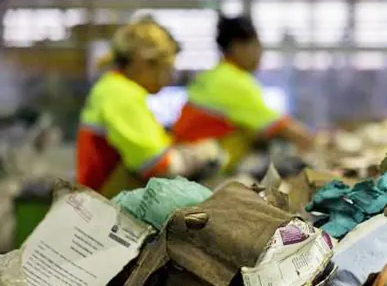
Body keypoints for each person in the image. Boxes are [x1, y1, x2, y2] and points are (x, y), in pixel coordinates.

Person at [77, 18, 224, 197]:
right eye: (167, 69)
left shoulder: (112, 87)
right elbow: (159, 166)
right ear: (143, 62)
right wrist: (202, 154)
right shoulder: (121, 94)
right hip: (105, 212)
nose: (169, 79)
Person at [172, 14, 314, 172]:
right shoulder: (234, 81)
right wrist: (314, 142)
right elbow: (282, 127)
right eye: (257, 46)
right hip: (200, 169)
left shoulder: (214, 75)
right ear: (237, 47)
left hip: (187, 159)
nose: (260, 54)